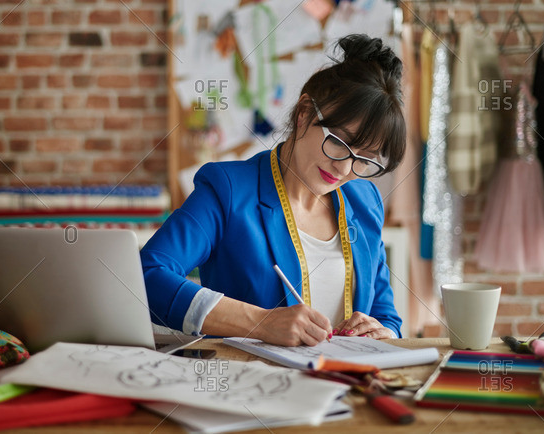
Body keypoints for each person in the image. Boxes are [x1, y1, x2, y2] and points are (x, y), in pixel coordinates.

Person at [141, 34, 406, 346]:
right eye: (339, 142)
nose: (345, 169)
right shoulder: (228, 189)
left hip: (345, 388)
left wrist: (382, 331)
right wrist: (260, 323)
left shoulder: (364, 201)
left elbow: (387, 318)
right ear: (304, 113)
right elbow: (147, 276)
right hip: (249, 386)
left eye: (364, 159)